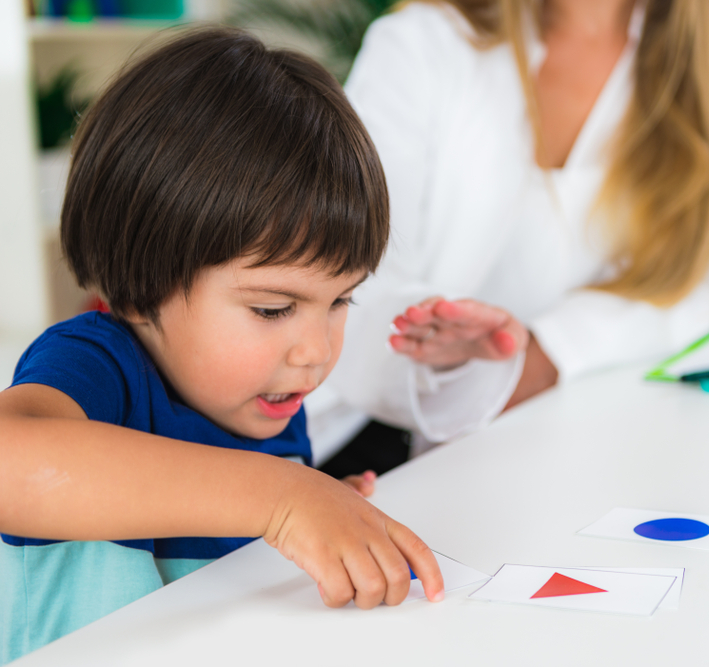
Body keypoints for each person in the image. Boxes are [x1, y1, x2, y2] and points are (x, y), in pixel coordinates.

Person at [0, 28, 443, 664]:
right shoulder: (99, 362)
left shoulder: (266, 403)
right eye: (273, 309)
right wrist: (281, 499)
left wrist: (319, 513)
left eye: (341, 301)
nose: (316, 351)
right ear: (144, 278)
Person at [312, 0, 709, 458]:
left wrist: (546, 354)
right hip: (382, 443)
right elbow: (346, 287)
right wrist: (447, 355)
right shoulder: (421, 43)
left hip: (622, 435)